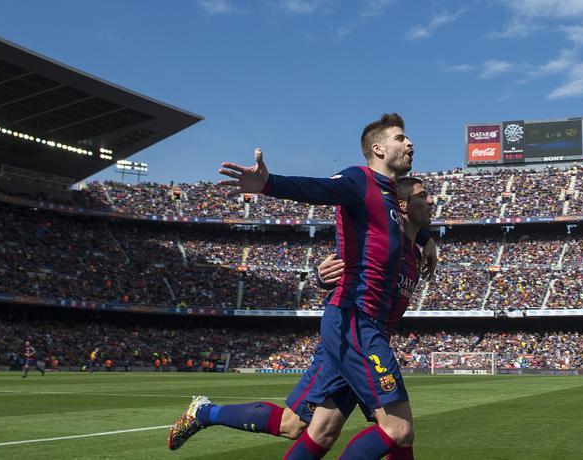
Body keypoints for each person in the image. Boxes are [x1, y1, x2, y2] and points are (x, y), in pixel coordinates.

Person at [169, 114, 434, 459]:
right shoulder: (359, 180)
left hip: (354, 326)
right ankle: (205, 412)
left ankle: (204, 412)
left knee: (309, 429)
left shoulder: (390, 204)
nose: (410, 143)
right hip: (356, 320)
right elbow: (319, 189)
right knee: (398, 430)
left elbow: (393, 229)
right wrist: (269, 183)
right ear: (378, 149)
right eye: (401, 138)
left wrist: (425, 238)